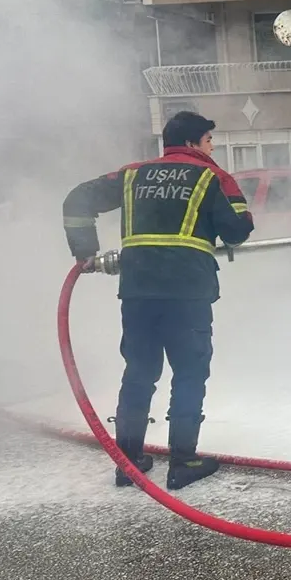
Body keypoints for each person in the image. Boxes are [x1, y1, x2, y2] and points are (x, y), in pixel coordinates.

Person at [62, 111, 254, 490]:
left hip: (138, 293)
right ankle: (184, 461)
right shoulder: (212, 176)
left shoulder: (134, 174)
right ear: (193, 142)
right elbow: (238, 230)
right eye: (209, 140)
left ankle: (128, 462)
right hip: (187, 293)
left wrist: (86, 251)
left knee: (139, 372)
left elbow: (76, 200)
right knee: (189, 373)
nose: (212, 147)